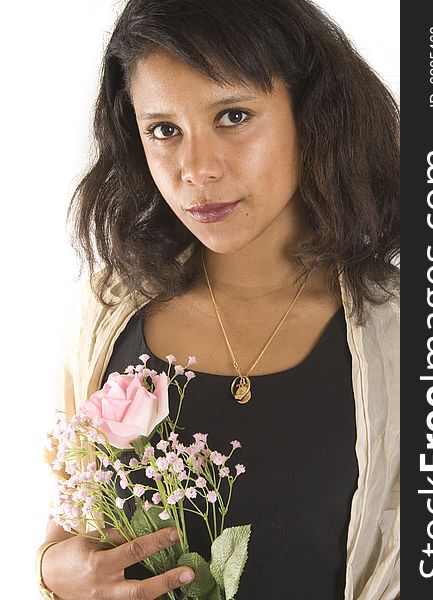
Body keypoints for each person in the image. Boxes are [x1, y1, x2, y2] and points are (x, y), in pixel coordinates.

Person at [37, 0, 400, 598]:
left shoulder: (409, 331)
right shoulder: (108, 310)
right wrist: (55, 573)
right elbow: (69, 535)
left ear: (311, 114)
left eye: (233, 116)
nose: (196, 169)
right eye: (164, 130)